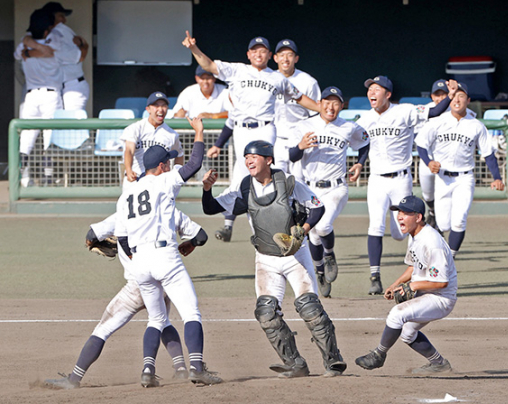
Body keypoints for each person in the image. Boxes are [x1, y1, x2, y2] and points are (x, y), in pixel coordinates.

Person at [201, 140, 347, 378]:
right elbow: (210, 208)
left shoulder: (288, 181)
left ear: (268, 160)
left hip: (295, 255)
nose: (248, 160)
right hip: (265, 258)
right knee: (266, 312)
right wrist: (206, 189)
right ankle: (295, 363)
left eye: (254, 156)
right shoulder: (245, 187)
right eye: (246, 156)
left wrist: (303, 229)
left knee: (309, 307)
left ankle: (333, 361)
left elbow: (317, 208)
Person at [182, 31, 320, 243]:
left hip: (264, 128)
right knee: (244, 177)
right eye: (254, 50)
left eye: (263, 50)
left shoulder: (277, 78)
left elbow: (300, 97)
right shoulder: (237, 70)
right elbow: (209, 65)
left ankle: (286, 217)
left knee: (265, 173)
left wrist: (322, 108)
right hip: (241, 129)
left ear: (269, 55)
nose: (258, 54)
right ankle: (255, 226)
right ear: (248, 54)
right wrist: (193, 49)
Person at [115, 119, 222, 387]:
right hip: (165, 257)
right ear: (162, 166)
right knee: (191, 313)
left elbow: (123, 239)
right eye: (169, 161)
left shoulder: (127, 194)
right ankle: (196, 367)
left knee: (156, 318)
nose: (172, 164)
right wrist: (199, 132)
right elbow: (194, 164)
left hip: (138, 261)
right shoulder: (164, 181)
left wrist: (136, 260)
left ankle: (148, 371)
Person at [43, 210, 200, 389]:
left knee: (103, 329)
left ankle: (74, 379)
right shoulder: (162, 211)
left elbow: (91, 235)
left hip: (137, 285)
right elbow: (199, 235)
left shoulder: (124, 212)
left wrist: (94, 241)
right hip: (162, 279)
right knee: (162, 322)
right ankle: (180, 369)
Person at [355, 76, 458, 295]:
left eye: (377, 89)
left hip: (401, 179)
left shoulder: (405, 111)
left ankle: (420, 263)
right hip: (376, 179)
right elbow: (363, 144)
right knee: (375, 226)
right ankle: (375, 276)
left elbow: (434, 112)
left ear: (388, 94)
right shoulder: (365, 119)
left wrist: (449, 96)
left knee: (399, 233)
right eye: (369, 89)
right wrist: (358, 163)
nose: (371, 93)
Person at [355, 195, 457, 375]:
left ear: (418, 217)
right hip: (427, 293)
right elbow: (413, 266)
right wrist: (396, 284)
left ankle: (378, 355)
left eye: (406, 213)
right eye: (399, 212)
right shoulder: (415, 235)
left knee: (396, 314)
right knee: (406, 333)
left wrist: (413, 286)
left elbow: (442, 282)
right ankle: (440, 364)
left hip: (441, 298)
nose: (400, 217)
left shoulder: (432, 242)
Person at [288, 86, 369, 298]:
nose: (330, 106)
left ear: (341, 106)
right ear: (320, 103)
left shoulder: (348, 127)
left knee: (323, 225)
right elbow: (292, 155)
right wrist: (301, 145)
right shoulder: (305, 125)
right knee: (313, 236)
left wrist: (360, 164)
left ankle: (330, 254)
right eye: (327, 101)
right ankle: (320, 271)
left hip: (336, 186)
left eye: (335, 102)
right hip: (310, 188)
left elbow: (365, 142)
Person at [415, 82, 504, 256]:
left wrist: (497, 177)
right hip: (443, 178)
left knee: (459, 221)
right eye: (454, 96)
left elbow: (488, 154)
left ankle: (449, 259)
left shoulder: (476, 125)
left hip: (465, 178)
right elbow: (421, 144)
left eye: (461, 96)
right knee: (444, 224)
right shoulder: (439, 121)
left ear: (468, 100)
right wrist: (428, 162)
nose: (457, 100)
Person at [14, 8, 82, 187]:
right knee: (48, 138)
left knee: (26, 139)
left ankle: (24, 178)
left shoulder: (24, 45)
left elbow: (18, 54)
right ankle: (47, 177)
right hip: (51, 95)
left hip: (30, 96)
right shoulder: (57, 42)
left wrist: (30, 45)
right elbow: (77, 56)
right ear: (47, 29)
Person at [21, 2, 90, 111]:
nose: (64, 20)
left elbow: (79, 56)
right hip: (54, 88)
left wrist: (28, 53)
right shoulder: (41, 33)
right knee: (57, 125)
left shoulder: (60, 32)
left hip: (71, 85)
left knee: (71, 125)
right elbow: (26, 40)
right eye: (61, 16)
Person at [273, 39, 321, 175]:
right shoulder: (269, 79)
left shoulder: (308, 82)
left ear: (296, 58)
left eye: (289, 55)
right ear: (275, 58)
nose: (285, 59)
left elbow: (316, 114)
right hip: (276, 139)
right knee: (277, 183)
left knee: (299, 183)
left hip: (299, 138)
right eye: (282, 55)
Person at [120, 91, 184, 189]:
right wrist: (128, 170)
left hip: (159, 183)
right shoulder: (135, 128)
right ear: (148, 109)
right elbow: (129, 150)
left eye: (164, 106)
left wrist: (176, 176)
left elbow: (179, 155)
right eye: (156, 106)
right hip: (135, 179)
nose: (160, 109)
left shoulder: (172, 134)